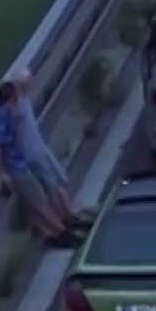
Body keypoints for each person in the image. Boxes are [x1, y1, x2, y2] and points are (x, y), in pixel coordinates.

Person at [0, 82, 81, 247]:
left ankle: (48, 233)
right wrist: (3, 173)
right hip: (16, 169)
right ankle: (63, 233)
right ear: (11, 99)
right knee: (39, 202)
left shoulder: (7, 114)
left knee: (33, 203)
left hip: (21, 163)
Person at [12, 66, 92, 231]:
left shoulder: (23, 100)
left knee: (57, 182)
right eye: (28, 82)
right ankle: (68, 217)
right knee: (52, 185)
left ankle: (70, 213)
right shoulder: (17, 105)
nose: (31, 84)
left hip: (40, 148)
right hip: (33, 153)